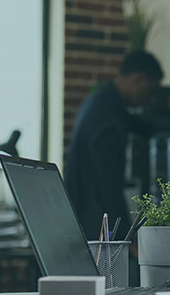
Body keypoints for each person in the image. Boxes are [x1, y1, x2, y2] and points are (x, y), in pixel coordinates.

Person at [65, 51, 164, 241]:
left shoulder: (102, 102)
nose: (150, 100)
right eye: (151, 91)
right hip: (94, 228)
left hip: (81, 218)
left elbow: (137, 124)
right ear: (138, 79)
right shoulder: (107, 120)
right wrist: (128, 237)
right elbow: (109, 187)